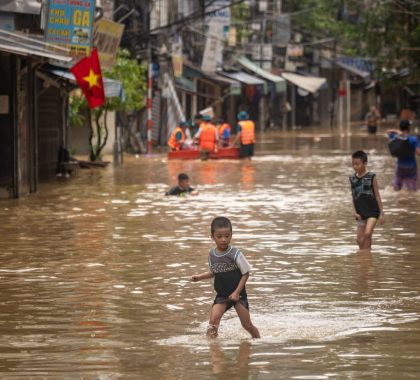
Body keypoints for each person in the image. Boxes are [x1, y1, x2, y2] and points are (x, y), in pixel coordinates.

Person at [191, 216, 260, 339]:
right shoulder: (212, 254)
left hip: (238, 296)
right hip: (222, 295)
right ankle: (213, 350)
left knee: (247, 325)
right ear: (212, 236)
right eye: (219, 236)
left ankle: (258, 340)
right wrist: (199, 277)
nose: (223, 239)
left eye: (227, 236)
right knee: (212, 324)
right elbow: (213, 272)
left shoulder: (236, 254)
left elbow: (246, 273)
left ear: (231, 235)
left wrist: (236, 293)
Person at [349, 150, 385, 250]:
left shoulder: (371, 177)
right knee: (359, 240)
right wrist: (354, 212)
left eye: (357, 164)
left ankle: (367, 256)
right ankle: (366, 256)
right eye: (353, 164)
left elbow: (377, 195)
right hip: (360, 212)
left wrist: (382, 213)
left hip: (373, 211)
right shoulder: (352, 179)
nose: (355, 166)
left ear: (365, 163)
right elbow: (353, 196)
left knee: (368, 233)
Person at [387, 119, 420, 191]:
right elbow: (418, 153)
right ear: (408, 128)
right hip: (411, 167)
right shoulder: (414, 139)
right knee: (412, 189)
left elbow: (388, 131)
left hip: (400, 166)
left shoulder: (396, 137)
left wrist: (398, 132)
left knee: (397, 187)